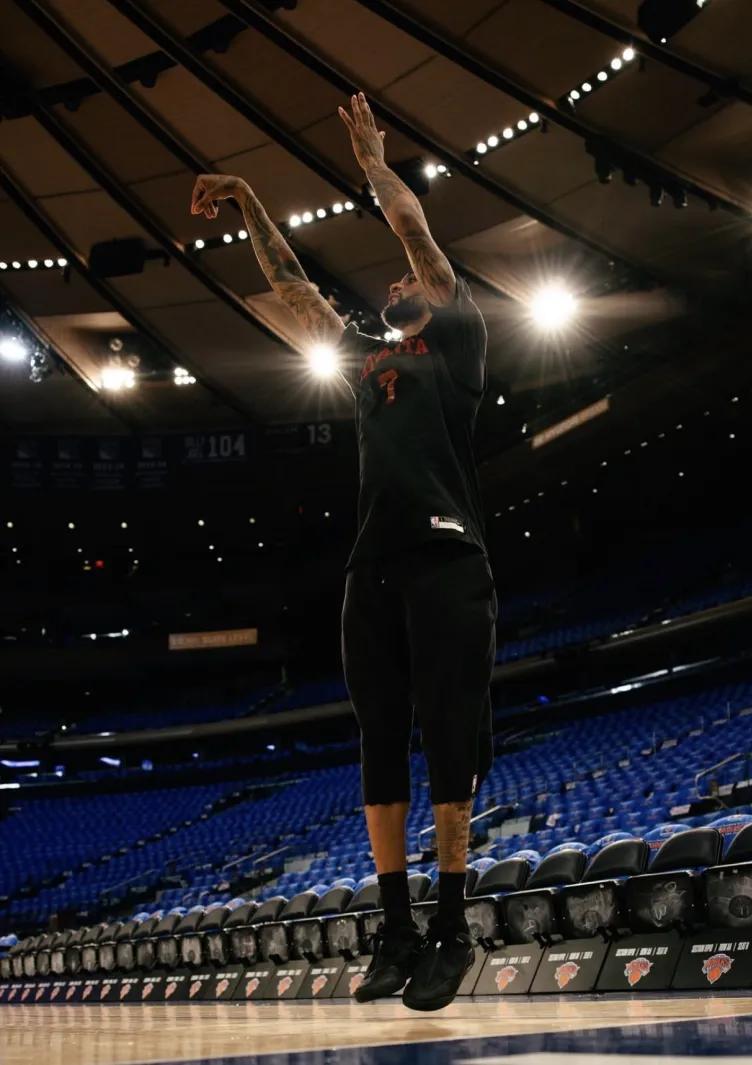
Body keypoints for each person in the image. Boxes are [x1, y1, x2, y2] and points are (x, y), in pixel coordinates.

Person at [189, 92, 497, 1012]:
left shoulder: (458, 340)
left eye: (408, 280)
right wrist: (248, 199)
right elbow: (293, 288)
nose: (395, 282)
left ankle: (452, 927)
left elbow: (413, 230)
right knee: (378, 742)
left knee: (449, 735)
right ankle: (396, 927)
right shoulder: (365, 355)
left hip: (447, 557)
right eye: (392, 284)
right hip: (375, 564)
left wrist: (371, 165)